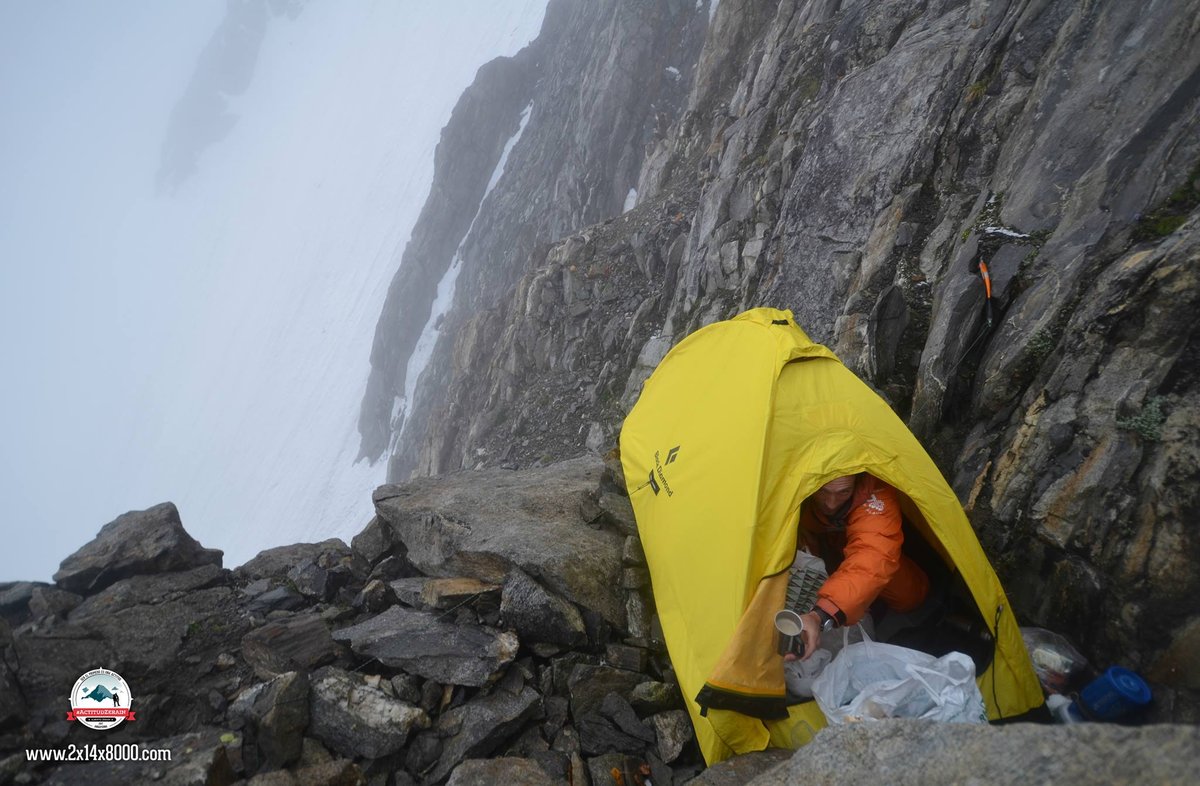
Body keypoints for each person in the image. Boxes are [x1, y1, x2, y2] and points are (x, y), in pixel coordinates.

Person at [788, 473, 929, 661]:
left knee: (908, 595)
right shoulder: (789, 484)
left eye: (843, 492)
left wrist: (821, 615)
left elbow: (873, 556)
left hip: (858, 542)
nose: (831, 503)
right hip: (812, 538)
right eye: (823, 491)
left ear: (858, 481)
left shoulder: (876, 491)